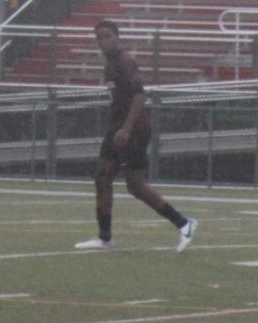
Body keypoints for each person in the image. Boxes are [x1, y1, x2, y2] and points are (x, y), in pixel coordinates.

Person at [75, 20, 196, 251]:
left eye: (108, 36)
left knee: (136, 186)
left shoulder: (125, 62)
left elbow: (140, 96)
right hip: (118, 128)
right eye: (99, 37)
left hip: (133, 130)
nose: (103, 41)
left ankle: (183, 222)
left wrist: (126, 129)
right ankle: (105, 237)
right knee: (103, 179)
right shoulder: (110, 65)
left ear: (117, 37)